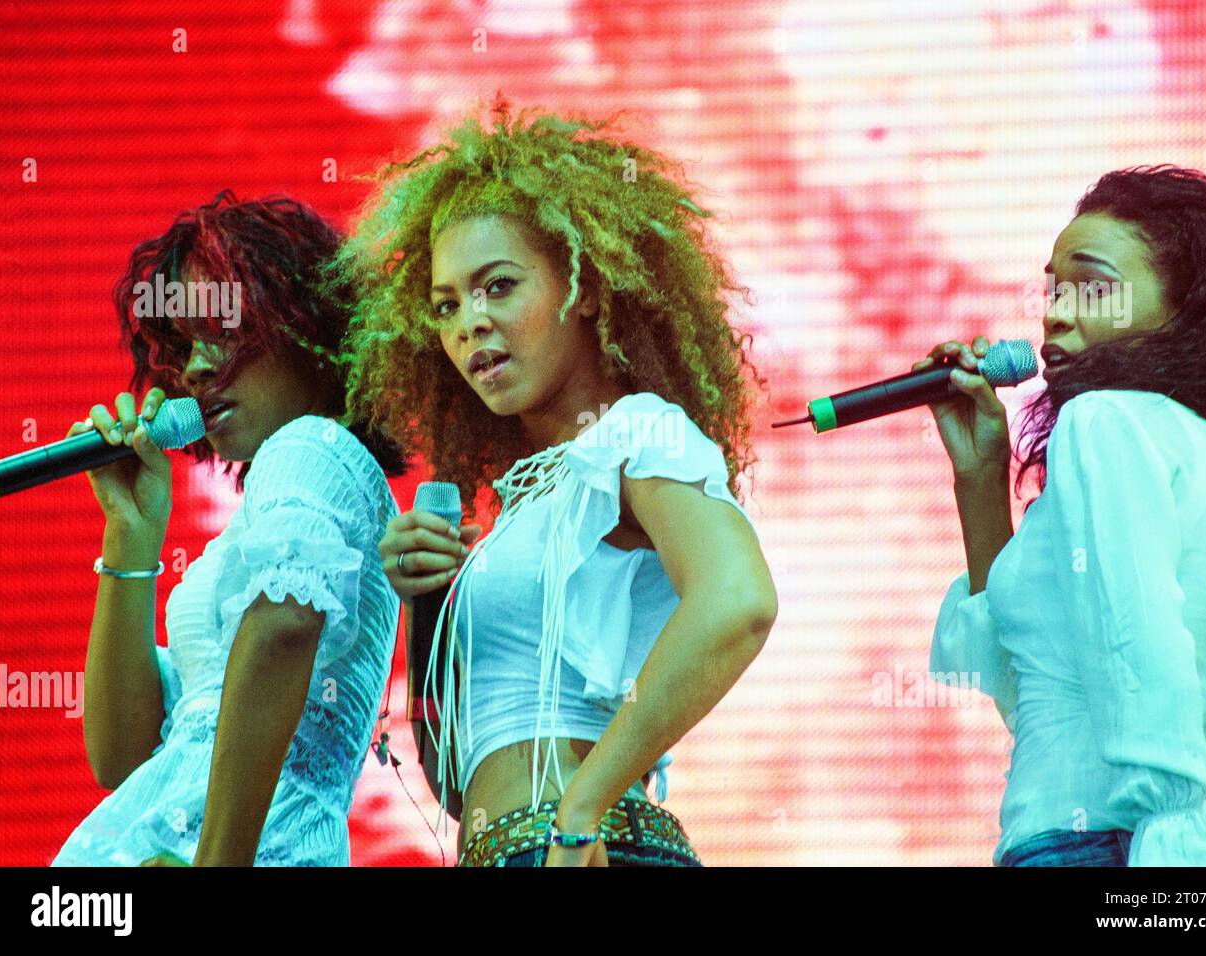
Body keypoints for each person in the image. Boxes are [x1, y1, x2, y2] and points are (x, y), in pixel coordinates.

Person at [331, 100, 779, 866]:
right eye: (446, 306)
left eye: (498, 286)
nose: (469, 322)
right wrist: (427, 604)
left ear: (589, 289)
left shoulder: (635, 431)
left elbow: (739, 601)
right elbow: (455, 776)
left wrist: (582, 807)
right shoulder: (524, 503)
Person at [924, 165, 1206, 866]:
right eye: (1053, 289)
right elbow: (1032, 688)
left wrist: (1163, 839)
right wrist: (979, 475)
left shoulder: (1104, 422)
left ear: (1186, 308)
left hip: (1113, 843)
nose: (1055, 312)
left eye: (1091, 286)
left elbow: (1137, 637)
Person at [51, 192, 406, 866]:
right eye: (185, 344)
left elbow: (282, 628)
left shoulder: (312, 447)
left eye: (226, 332)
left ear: (309, 328)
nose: (196, 368)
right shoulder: (257, 523)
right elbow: (124, 755)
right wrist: (134, 531)